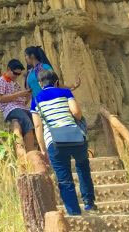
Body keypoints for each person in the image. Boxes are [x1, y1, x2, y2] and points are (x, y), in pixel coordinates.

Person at [31, 69, 96, 216]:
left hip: (54, 143)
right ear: (56, 82)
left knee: (64, 179)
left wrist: (42, 148)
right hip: (76, 138)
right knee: (83, 168)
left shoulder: (35, 100)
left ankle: (74, 213)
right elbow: (76, 113)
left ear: (40, 84)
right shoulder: (65, 93)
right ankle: (89, 204)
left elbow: (37, 126)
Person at [0, 59, 35, 151]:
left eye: (18, 74)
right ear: (8, 69)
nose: (16, 76)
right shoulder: (0, 81)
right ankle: (31, 153)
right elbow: (0, 99)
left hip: (21, 108)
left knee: (36, 120)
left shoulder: (16, 83)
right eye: (15, 73)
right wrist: (19, 94)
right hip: (10, 109)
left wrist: (28, 95)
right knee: (27, 122)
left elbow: (23, 102)